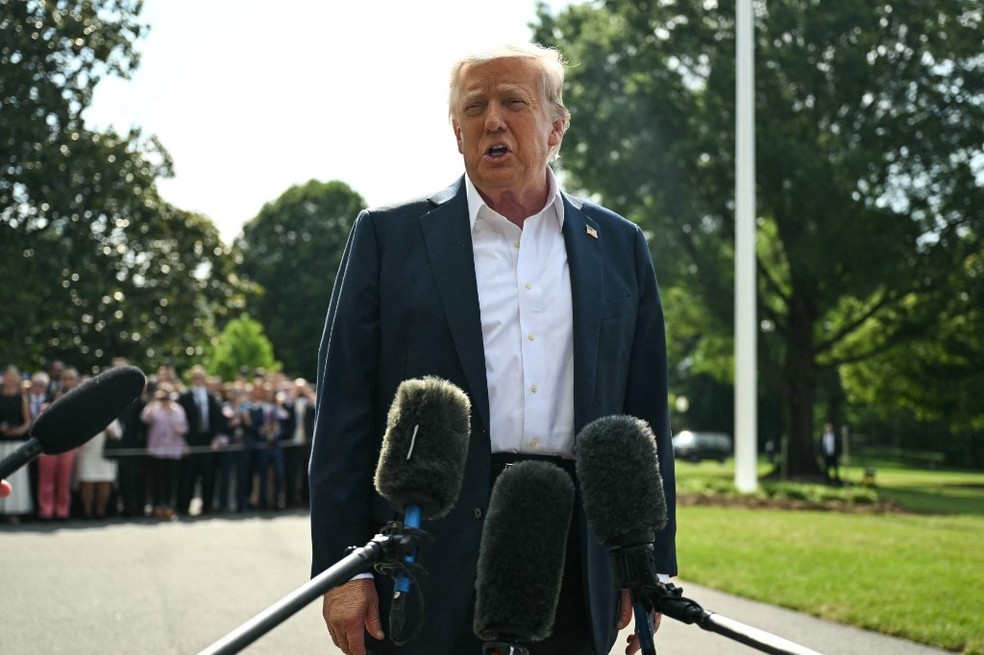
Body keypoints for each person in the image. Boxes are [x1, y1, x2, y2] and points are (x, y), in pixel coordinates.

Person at [309, 43, 677, 655]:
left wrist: (648, 569)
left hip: (575, 555)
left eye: (514, 101)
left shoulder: (619, 246)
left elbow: (645, 421)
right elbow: (344, 412)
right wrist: (346, 567)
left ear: (557, 126)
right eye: (474, 107)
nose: (492, 120)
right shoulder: (387, 237)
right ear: (457, 132)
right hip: (426, 551)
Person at [177, 365, 223, 515]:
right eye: (196, 377)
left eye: (201, 377)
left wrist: (216, 438)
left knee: (208, 476)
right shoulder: (184, 397)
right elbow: (180, 420)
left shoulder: (211, 398)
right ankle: (184, 507)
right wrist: (183, 441)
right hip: (190, 442)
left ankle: (207, 506)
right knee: (188, 476)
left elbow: (217, 420)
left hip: (207, 442)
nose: (199, 380)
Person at [36, 366, 80, 520]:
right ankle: (45, 511)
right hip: (48, 448)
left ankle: (62, 511)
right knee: (46, 481)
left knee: (64, 482)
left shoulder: (75, 405)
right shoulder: (45, 406)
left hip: (67, 447)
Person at [141, 383, 189, 520]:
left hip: (173, 451)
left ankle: (168, 506)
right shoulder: (153, 408)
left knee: (170, 480)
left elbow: (185, 427)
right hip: (156, 450)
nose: (164, 400)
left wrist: (179, 430)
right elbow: (144, 418)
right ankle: (156, 506)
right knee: (157, 481)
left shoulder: (178, 410)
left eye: (166, 397)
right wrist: (153, 402)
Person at [0, 365, 33, 523]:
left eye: (13, 378)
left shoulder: (22, 398)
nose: (10, 381)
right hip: (1, 442)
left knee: (16, 479)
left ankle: (15, 511)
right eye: (8, 377)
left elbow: (28, 422)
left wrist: (18, 431)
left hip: (17, 444)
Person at [74, 418, 122, 518]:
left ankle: (100, 512)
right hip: (87, 453)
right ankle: (87, 512)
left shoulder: (111, 416)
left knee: (105, 483)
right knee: (87, 483)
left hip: (105, 455)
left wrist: (107, 430)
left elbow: (118, 434)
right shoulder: (84, 416)